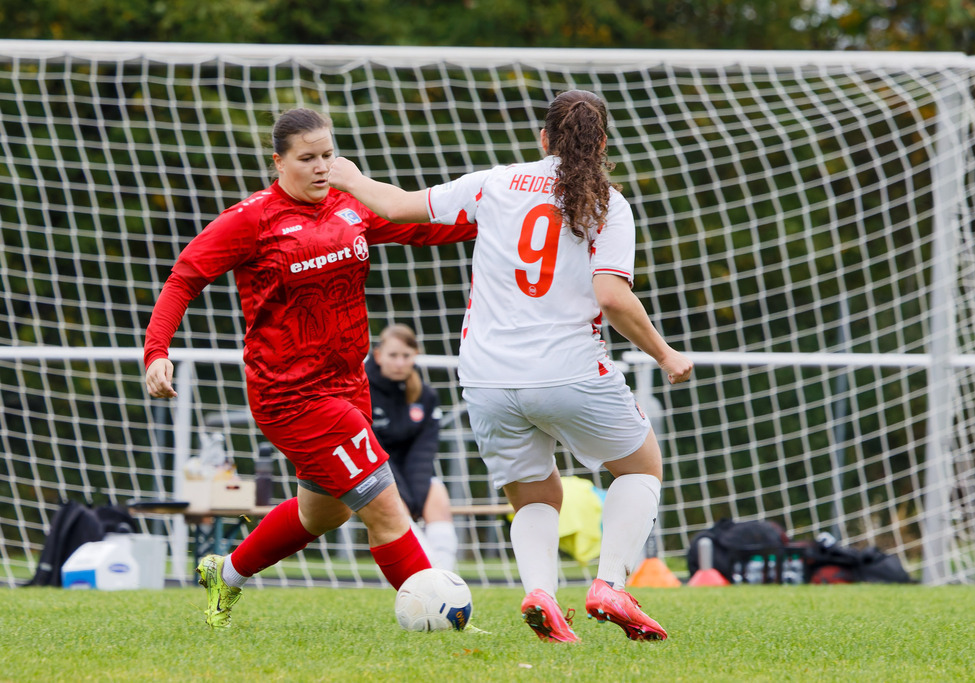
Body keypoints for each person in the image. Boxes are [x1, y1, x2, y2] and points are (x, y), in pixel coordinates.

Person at [328, 89, 693, 643]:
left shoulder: (494, 182)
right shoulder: (608, 203)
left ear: (543, 138)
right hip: (569, 368)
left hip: (487, 377)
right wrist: (664, 354)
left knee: (533, 495)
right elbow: (613, 297)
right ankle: (609, 584)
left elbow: (400, 206)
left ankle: (542, 593)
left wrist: (350, 179)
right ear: (601, 144)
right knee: (640, 467)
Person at [143, 107, 476, 629]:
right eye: (307, 158)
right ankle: (445, 621)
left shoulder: (353, 205)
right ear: (278, 162)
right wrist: (157, 350)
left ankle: (224, 574)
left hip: (350, 386)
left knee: (325, 512)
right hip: (291, 396)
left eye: (328, 155)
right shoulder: (251, 220)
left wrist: (500, 216)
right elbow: (184, 277)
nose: (322, 167)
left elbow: (424, 227)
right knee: (386, 509)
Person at [366, 323, 458, 571]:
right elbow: (374, 451)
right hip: (370, 471)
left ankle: (446, 577)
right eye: (393, 355)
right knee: (395, 506)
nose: (399, 362)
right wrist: (402, 497)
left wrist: (417, 496)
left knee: (437, 497)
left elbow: (424, 451)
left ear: (414, 357)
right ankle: (421, 577)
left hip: (411, 473)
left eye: (405, 356)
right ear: (378, 355)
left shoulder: (426, 396)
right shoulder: (361, 391)